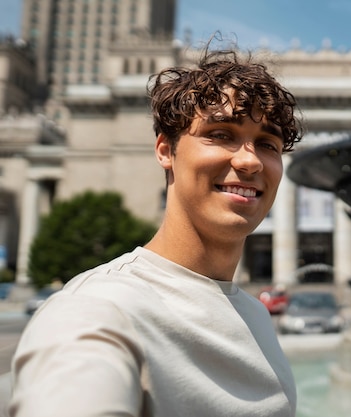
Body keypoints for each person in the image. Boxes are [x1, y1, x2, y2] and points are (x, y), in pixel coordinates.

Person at [9, 41, 303, 417]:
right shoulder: (97, 310)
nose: (249, 161)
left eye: (267, 144)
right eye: (220, 134)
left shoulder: (254, 313)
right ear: (165, 150)